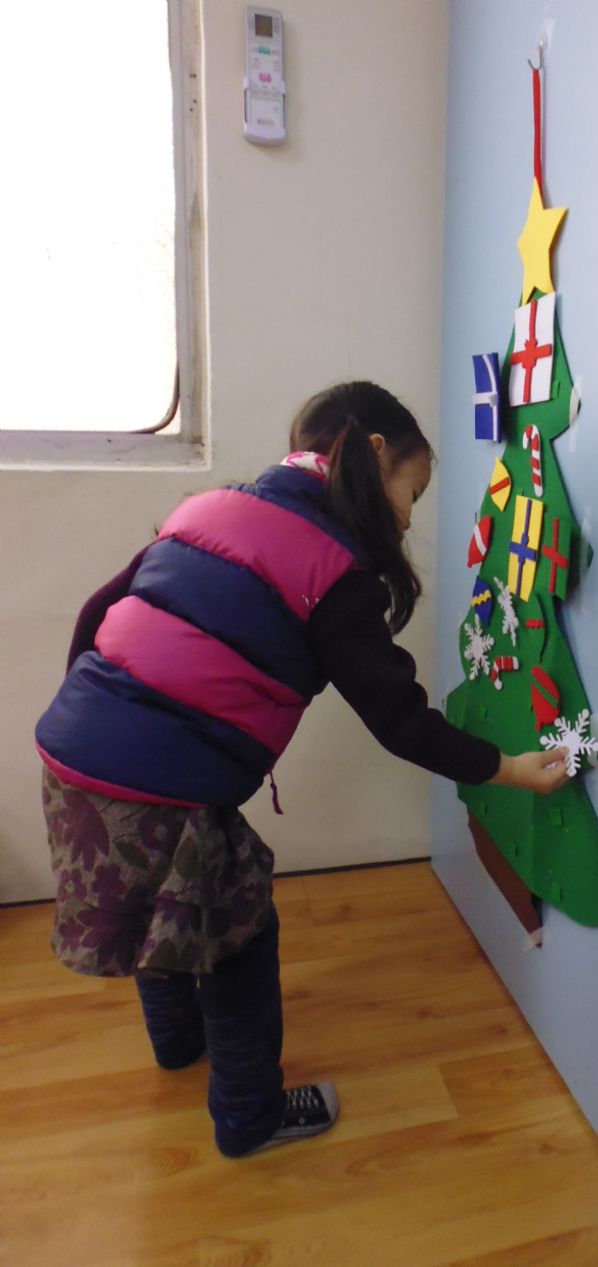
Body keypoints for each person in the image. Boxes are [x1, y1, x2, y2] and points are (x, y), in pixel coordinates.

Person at [35, 380, 568, 1159]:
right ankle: (249, 1117)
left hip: (71, 751)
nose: (409, 516)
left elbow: (101, 610)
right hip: (157, 780)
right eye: (413, 491)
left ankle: (177, 1045)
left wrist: (98, 728)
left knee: (163, 905)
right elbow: (401, 721)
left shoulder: (213, 506)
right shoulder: (334, 570)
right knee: (238, 937)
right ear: (376, 454)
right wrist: (510, 768)